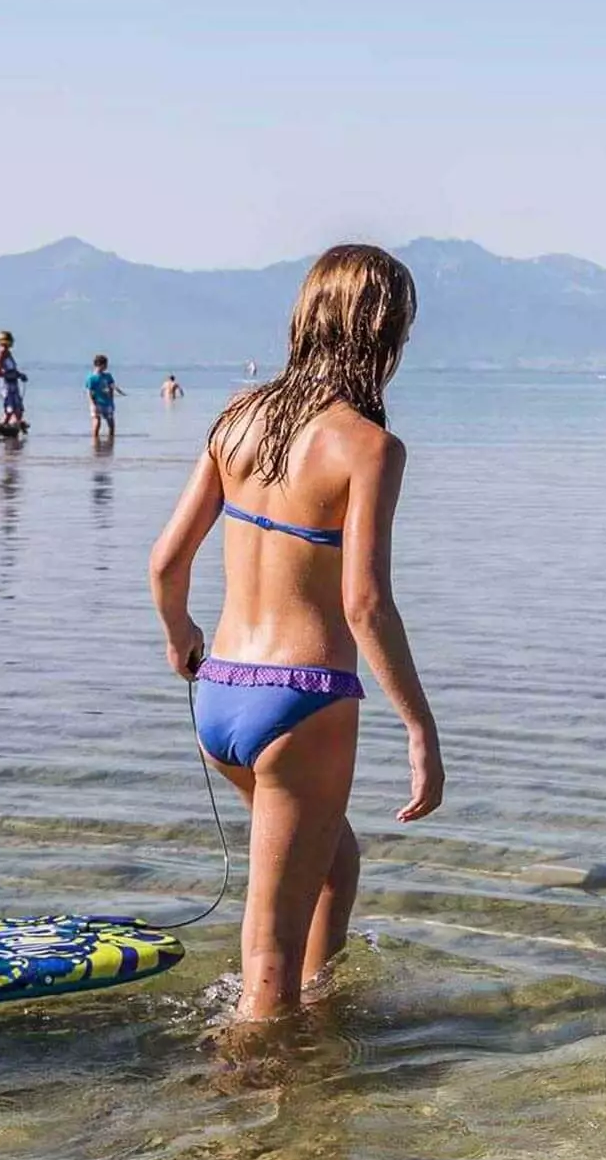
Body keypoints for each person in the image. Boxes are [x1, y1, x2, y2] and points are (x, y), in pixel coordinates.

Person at [149, 244, 443, 1022]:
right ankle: (249, 1112)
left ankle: (317, 1032)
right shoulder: (369, 447)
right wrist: (420, 727)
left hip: (220, 699)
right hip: (301, 700)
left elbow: (164, 562)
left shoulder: (237, 421)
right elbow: (366, 605)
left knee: (334, 864)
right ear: (381, 336)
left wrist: (181, 635)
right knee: (266, 960)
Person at [0, 331, 28, 438]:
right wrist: (12, 375)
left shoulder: (8, 353)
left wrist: (19, 375)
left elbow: (12, 370)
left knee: (18, 410)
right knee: (10, 409)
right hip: (7, 385)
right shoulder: (1, 353)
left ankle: (12, 433)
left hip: (14, 385)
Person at [86, 354, 121, 440]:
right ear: (100, 365)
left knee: (111, 423)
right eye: (105, 365)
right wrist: (92, 404)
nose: (106, 367)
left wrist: (114, 396)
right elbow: (89, 392)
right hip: (97, 402)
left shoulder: (107, 376)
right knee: (97, 422)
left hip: (107, 402)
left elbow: (112, 386)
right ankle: (95, 440)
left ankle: (111, 440)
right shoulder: (91, 378)